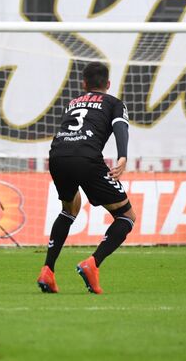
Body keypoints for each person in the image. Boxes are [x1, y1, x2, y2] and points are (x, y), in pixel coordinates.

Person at [37, 61, 135, 294]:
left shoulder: (73, 103)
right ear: (108, 84)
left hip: (58, 155)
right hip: (86, 158)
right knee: (126, 216)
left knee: (70, 208)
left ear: (84, 84)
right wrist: (123, 156)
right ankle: (92, 264)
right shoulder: (113, 102)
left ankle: (47, 271)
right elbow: (120, 127)